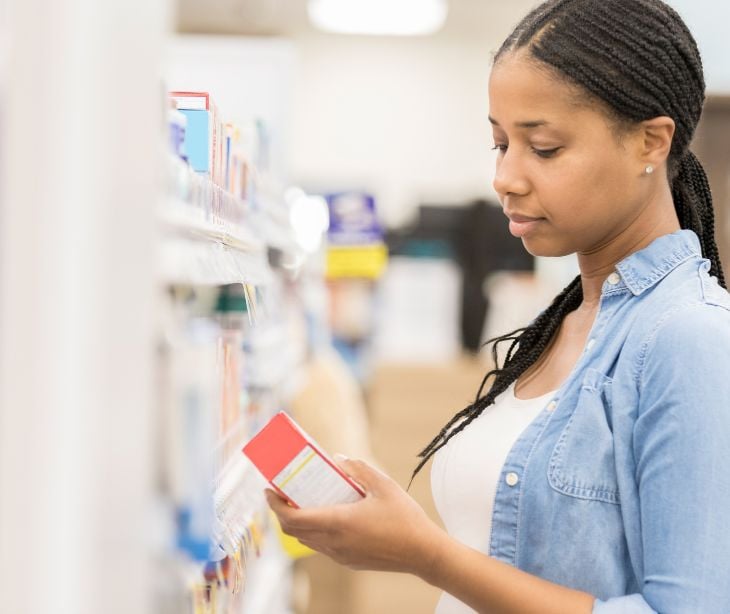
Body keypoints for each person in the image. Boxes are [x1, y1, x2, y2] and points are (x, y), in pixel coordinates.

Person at [266, 0, 730, 611]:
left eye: (543, 149)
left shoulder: (689, 338)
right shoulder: (563, 325)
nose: (505, 177)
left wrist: (425, 555)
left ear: (650, 141)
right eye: (500, 144)